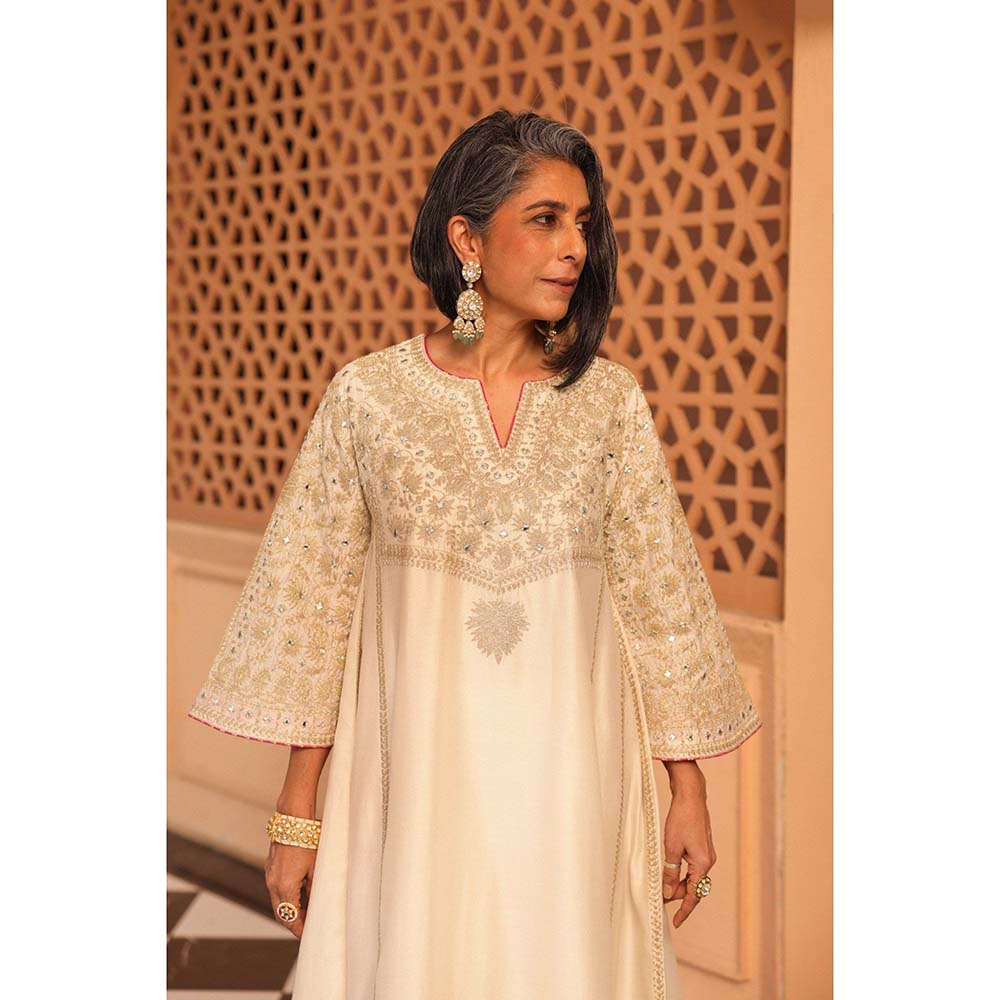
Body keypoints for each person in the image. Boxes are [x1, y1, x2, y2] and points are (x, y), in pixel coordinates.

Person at [188, 109, 762, 1000]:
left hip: (572, 785)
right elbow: (314, 612)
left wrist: (688, 790)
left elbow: (661, 604)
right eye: (546, 220)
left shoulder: (608, 403)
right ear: (467, 239)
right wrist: (298, 814)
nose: (574, 247)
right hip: (417, 787)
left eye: (583, 222)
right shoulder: (369, 399)